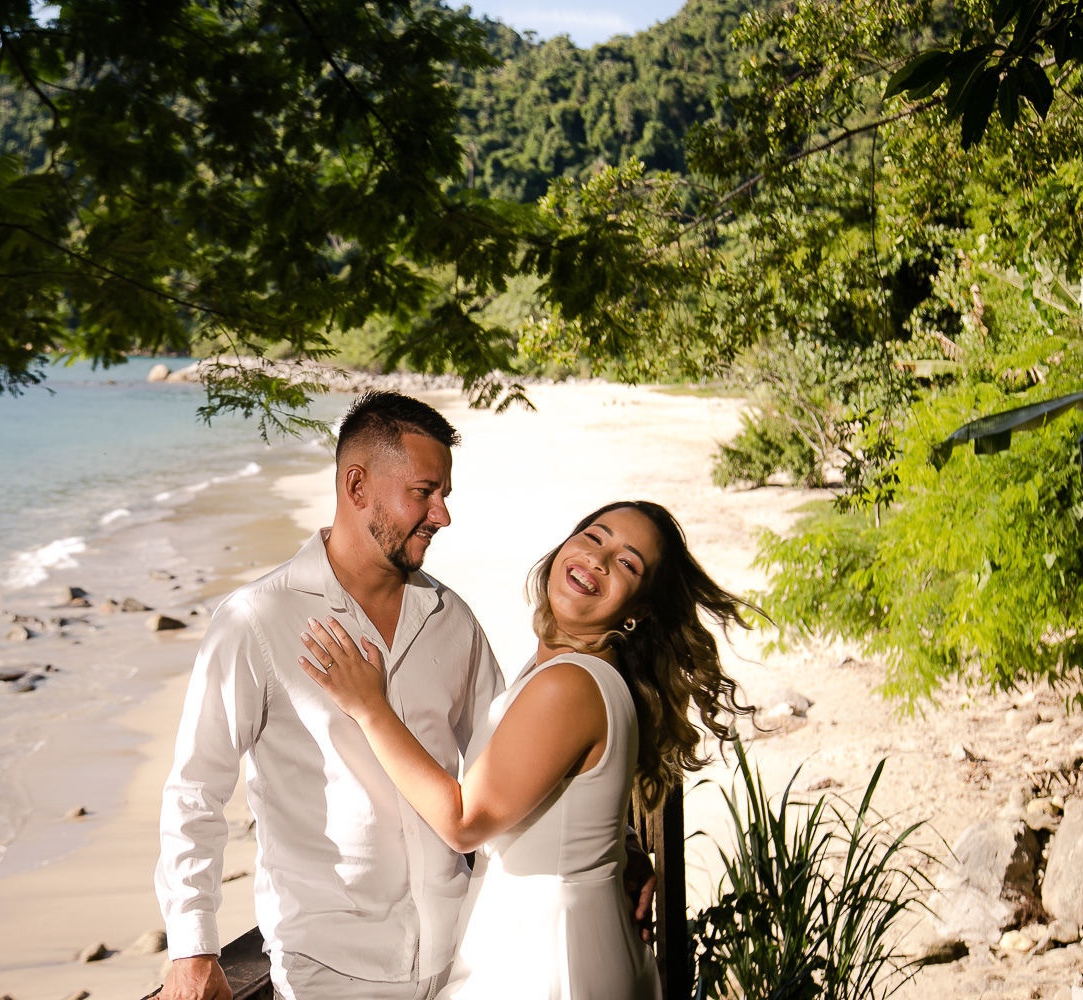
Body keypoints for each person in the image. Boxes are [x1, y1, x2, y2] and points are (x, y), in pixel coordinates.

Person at [300, 500, 755, 999]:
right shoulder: (569, 673)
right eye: (595, 536)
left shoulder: (570, 686)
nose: (598, 560)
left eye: (627, 563)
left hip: (547, 957)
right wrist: (623, 848)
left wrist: (370, 707)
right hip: (556, 941)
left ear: (639, 611)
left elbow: (464, 821)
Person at [155, 391, 505, 1000]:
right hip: (328, 969)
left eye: (444, 494)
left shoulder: (453, 618)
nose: (442, 515)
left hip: (461, 952)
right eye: (424, 492)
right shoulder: (255, 620)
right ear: (357, 484)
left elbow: (506, 756)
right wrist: (193, 947)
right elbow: (196, 787)